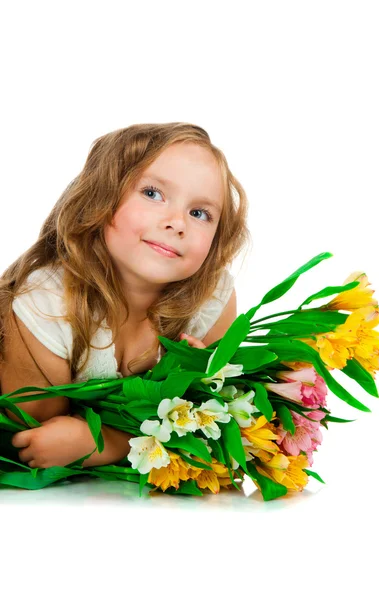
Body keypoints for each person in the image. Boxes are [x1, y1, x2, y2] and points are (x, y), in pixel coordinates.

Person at [0, 122, 251, 470]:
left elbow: (213, 420)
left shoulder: (210, 298)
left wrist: (106, 444)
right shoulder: (47, 306)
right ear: (100, 197)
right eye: (152, 193)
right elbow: (37, 443)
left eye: (199, 213)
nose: (177, 222)